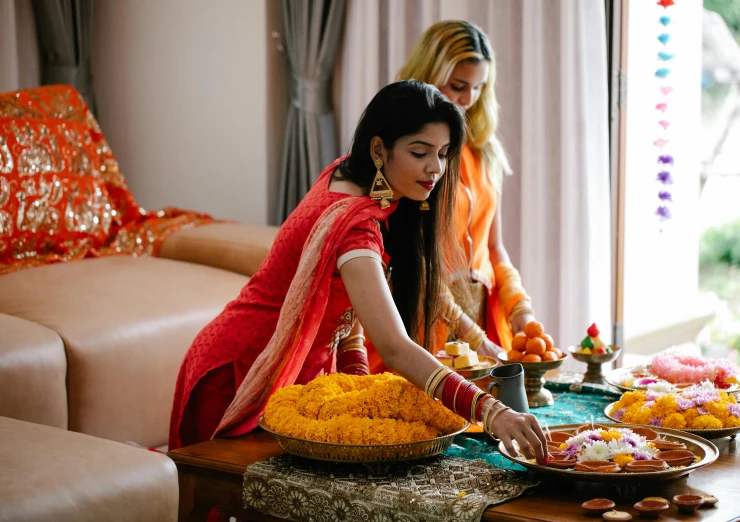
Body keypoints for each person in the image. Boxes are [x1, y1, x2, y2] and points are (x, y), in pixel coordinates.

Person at [169, 80, 548, 464]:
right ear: (379, 150)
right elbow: (395, 347)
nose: (435, 168)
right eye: (420, 152)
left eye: (444, 153)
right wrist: (490, 411)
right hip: (239, 370)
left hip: (291, 371)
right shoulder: (353, 227)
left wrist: (361, 391)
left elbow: (349, 317)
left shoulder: (354, 178)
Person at [397, 20, 539, 357]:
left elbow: (493, 247)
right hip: (425, 320)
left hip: (482, 317)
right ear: (429, 73)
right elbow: (414, 264)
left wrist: (520, 308)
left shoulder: (484, 149)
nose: (468, 99)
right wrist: (474, 339)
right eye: (459, 85)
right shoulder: (406, 153)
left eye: (479, 87)